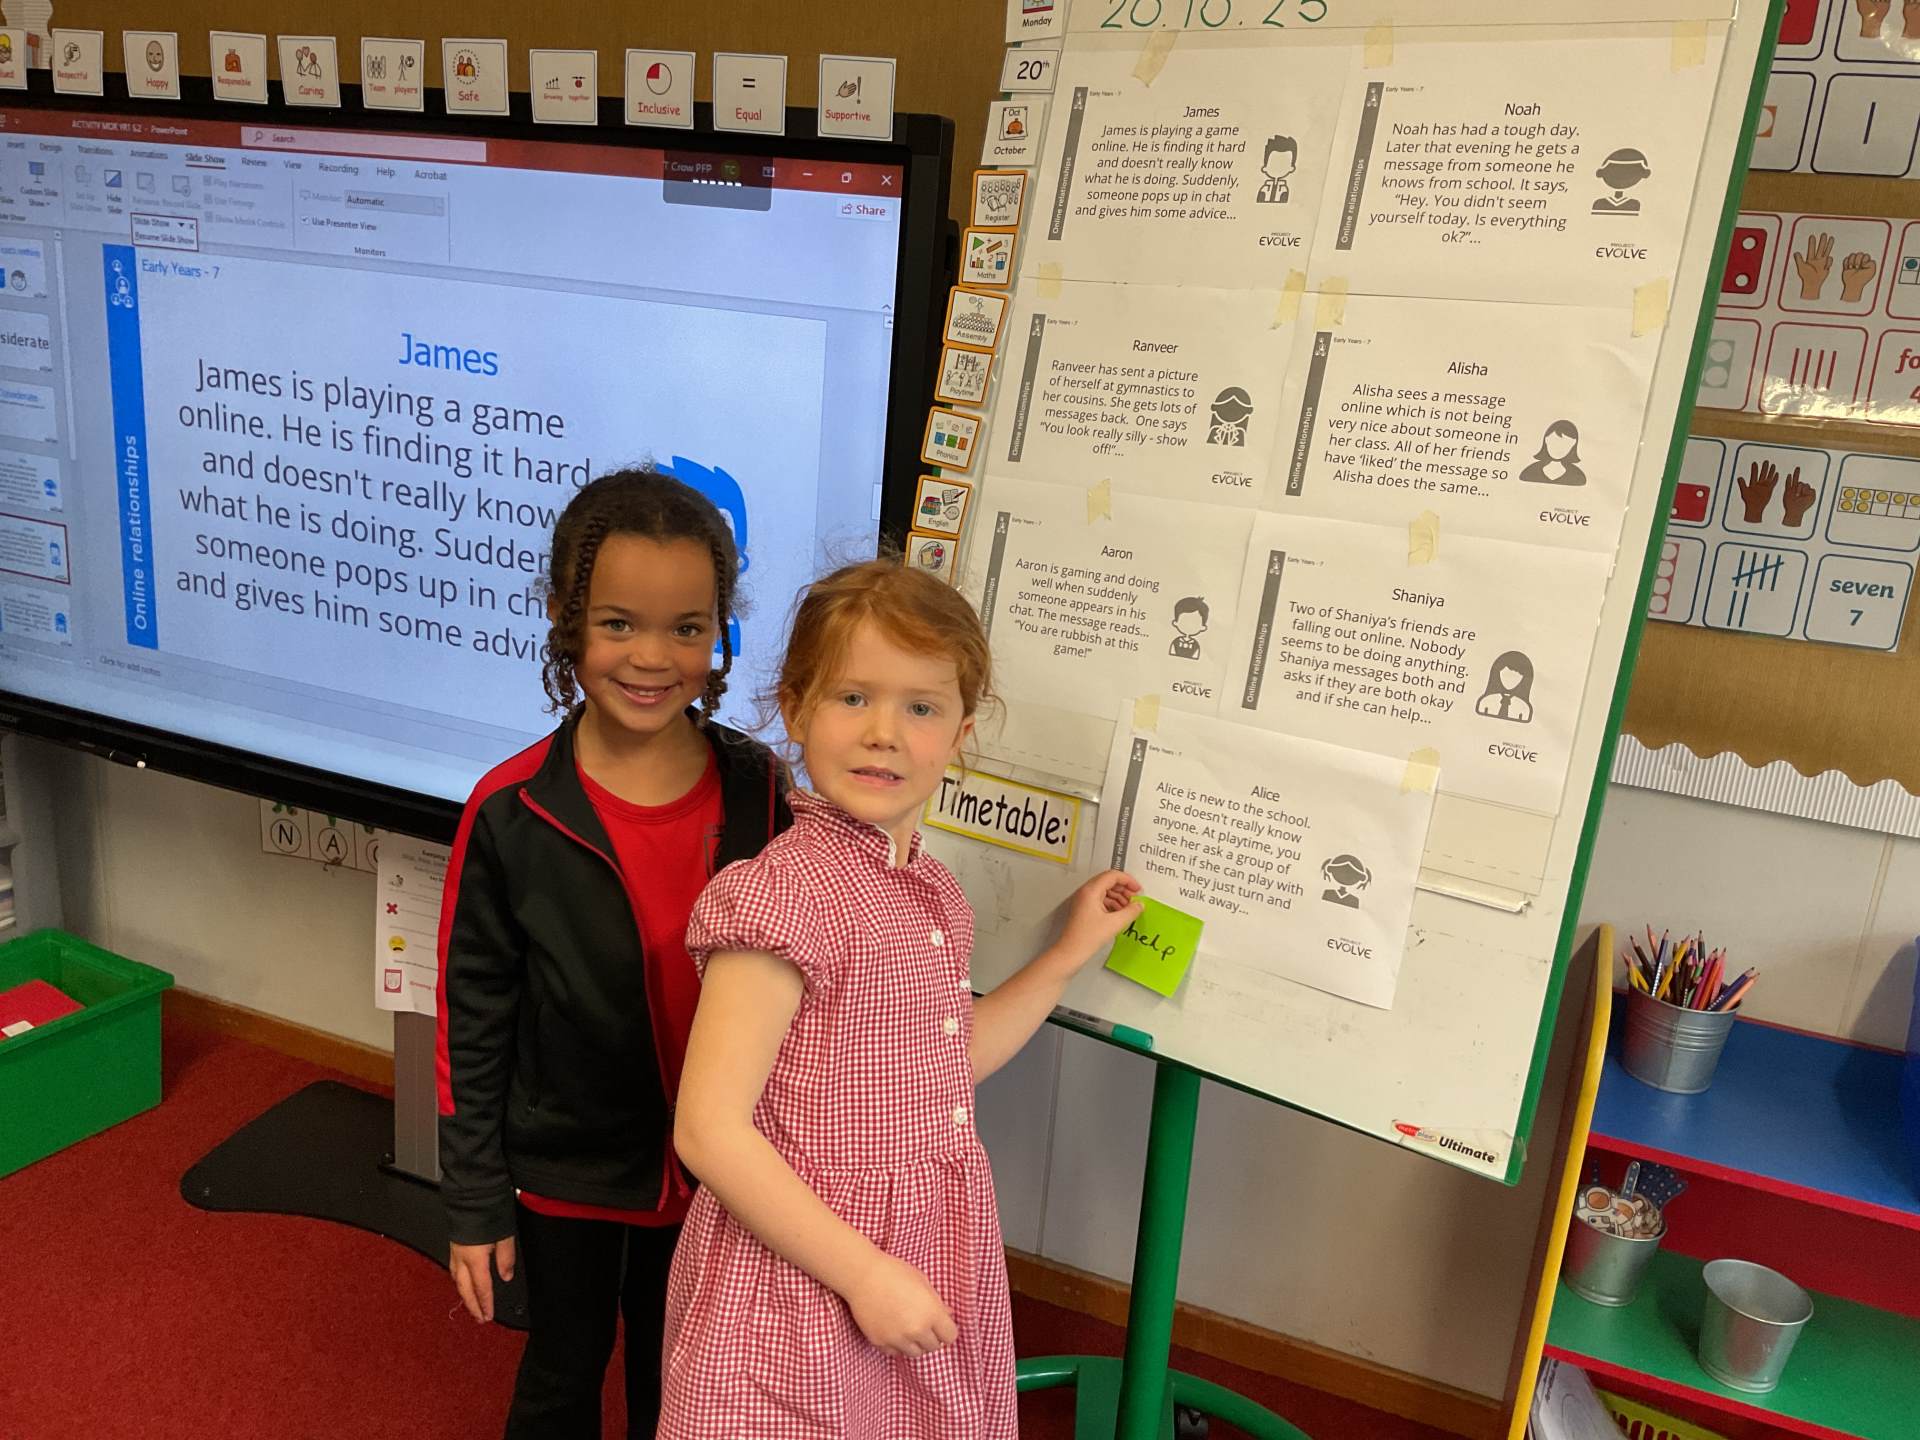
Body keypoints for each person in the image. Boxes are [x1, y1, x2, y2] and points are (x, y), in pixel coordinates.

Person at [658, 560, 1142, 1439]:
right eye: (853, 698)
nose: (884, 733)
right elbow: (709, 1130)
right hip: (799, 1279)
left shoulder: (931, 893)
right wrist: (865, 1275)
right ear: (796, 709)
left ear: (961, 734)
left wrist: (1066, 957)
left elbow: (940, 1067)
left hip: (916, 1252)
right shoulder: (782, 897)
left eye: (921, 708)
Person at [436, 467, 791, 1439]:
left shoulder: (759, 790)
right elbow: (473, 1021)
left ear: (718, 632)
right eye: (619, 623)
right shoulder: (513, 812)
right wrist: (475, 1200)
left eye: (687, 628)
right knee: (566, 1369)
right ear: (565, 617)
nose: (653, 657)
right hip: (571, 1173)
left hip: (722, 1168)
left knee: (684, 1382)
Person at [1517, 420, 1587, 487]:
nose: (1558, 448)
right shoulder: (1530, 472)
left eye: (1565, 444)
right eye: (1554, 442)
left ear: (1573, 445)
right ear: (1546, 441)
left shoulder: (1578, 476)